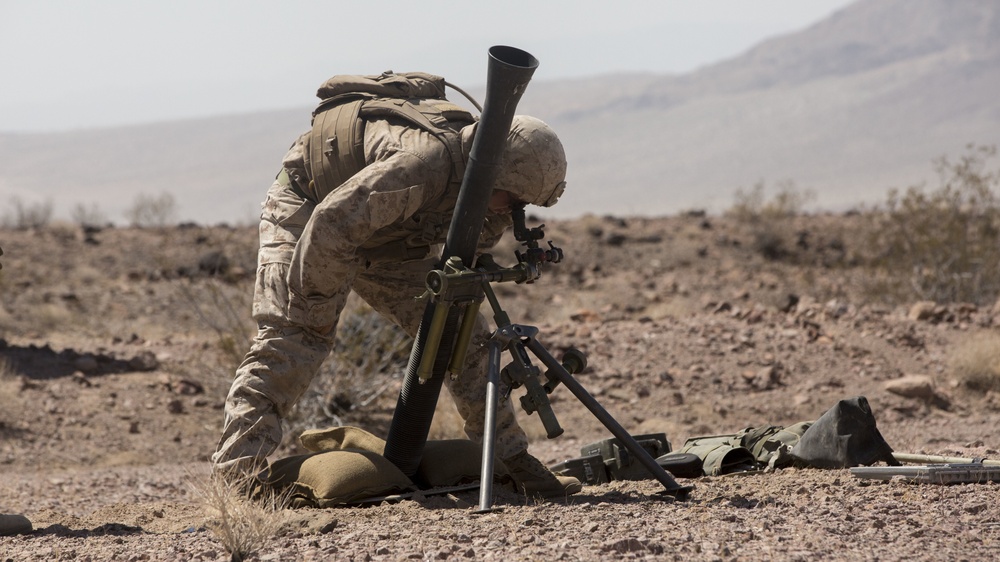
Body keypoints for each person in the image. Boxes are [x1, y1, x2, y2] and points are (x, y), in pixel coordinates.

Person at [211, 75, 581, 499]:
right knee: (293, 343)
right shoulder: (420, 166)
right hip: (309, 207)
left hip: (383, 228)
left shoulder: (490, 190)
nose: (513, 212)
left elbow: (474, 242)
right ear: (493, 174)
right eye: (512, 200)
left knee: (466, 336)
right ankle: (234, 484)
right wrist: (311, 310)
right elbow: (332, 224)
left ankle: (509, 460)